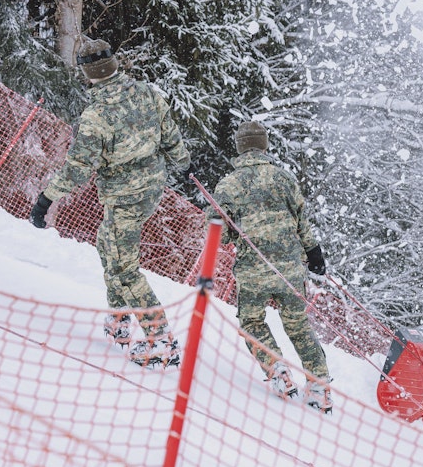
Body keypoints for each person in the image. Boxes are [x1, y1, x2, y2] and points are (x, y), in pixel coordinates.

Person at [30, 37, 190, 368]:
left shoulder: (97, 114)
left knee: (123, 268)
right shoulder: (146, 92)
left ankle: (161, 340)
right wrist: (184, 163)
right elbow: (171, 135)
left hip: (125, 198)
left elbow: (77, 167)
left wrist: (47, 198)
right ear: (114, 64)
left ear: (87, 74)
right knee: (108, 244)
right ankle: (119, 320)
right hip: (151, 190)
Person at [208, 120, 332, 413]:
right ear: (264, 146)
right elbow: (301, 221)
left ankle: (277, 370)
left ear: (240, 147)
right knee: (298, 324)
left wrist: (232, 230)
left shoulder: (228, 185)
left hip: (253, 271)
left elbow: (217, 231)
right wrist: (313, 253)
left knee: (251, 322)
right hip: (289, 268)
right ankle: (319, 388)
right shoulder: (285, 179)